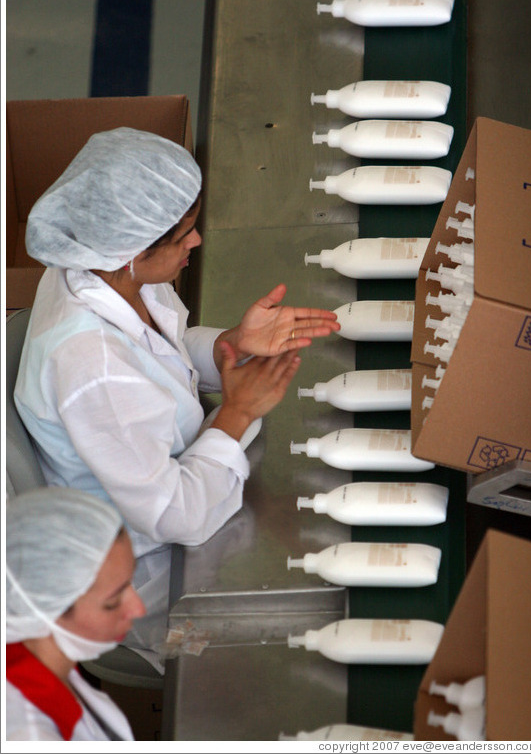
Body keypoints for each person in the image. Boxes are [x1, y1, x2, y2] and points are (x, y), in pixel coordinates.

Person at [14, 126, 340, 660]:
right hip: (154, 565)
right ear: (134, 249)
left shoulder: (107, 265)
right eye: (183, 233)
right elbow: (178, 517)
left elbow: (159, 348)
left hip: (180, 475)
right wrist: (235, 413)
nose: (197, 241)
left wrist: (230, 345)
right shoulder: (91, 367)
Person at [5, 487, 146, 741]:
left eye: (130, 582)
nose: (138, 609)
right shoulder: (29, 735)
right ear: (46, 608)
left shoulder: (46, 660)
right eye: (113, 602)